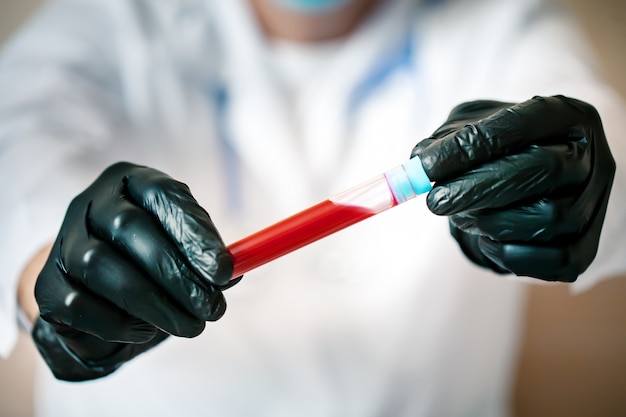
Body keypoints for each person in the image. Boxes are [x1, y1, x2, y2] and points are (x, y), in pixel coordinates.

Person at [0, 0, 624, 415]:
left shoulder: (500, 23)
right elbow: (17, 181)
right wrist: (57, 280)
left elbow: (598, 144)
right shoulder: (99, 28)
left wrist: (572, 180)